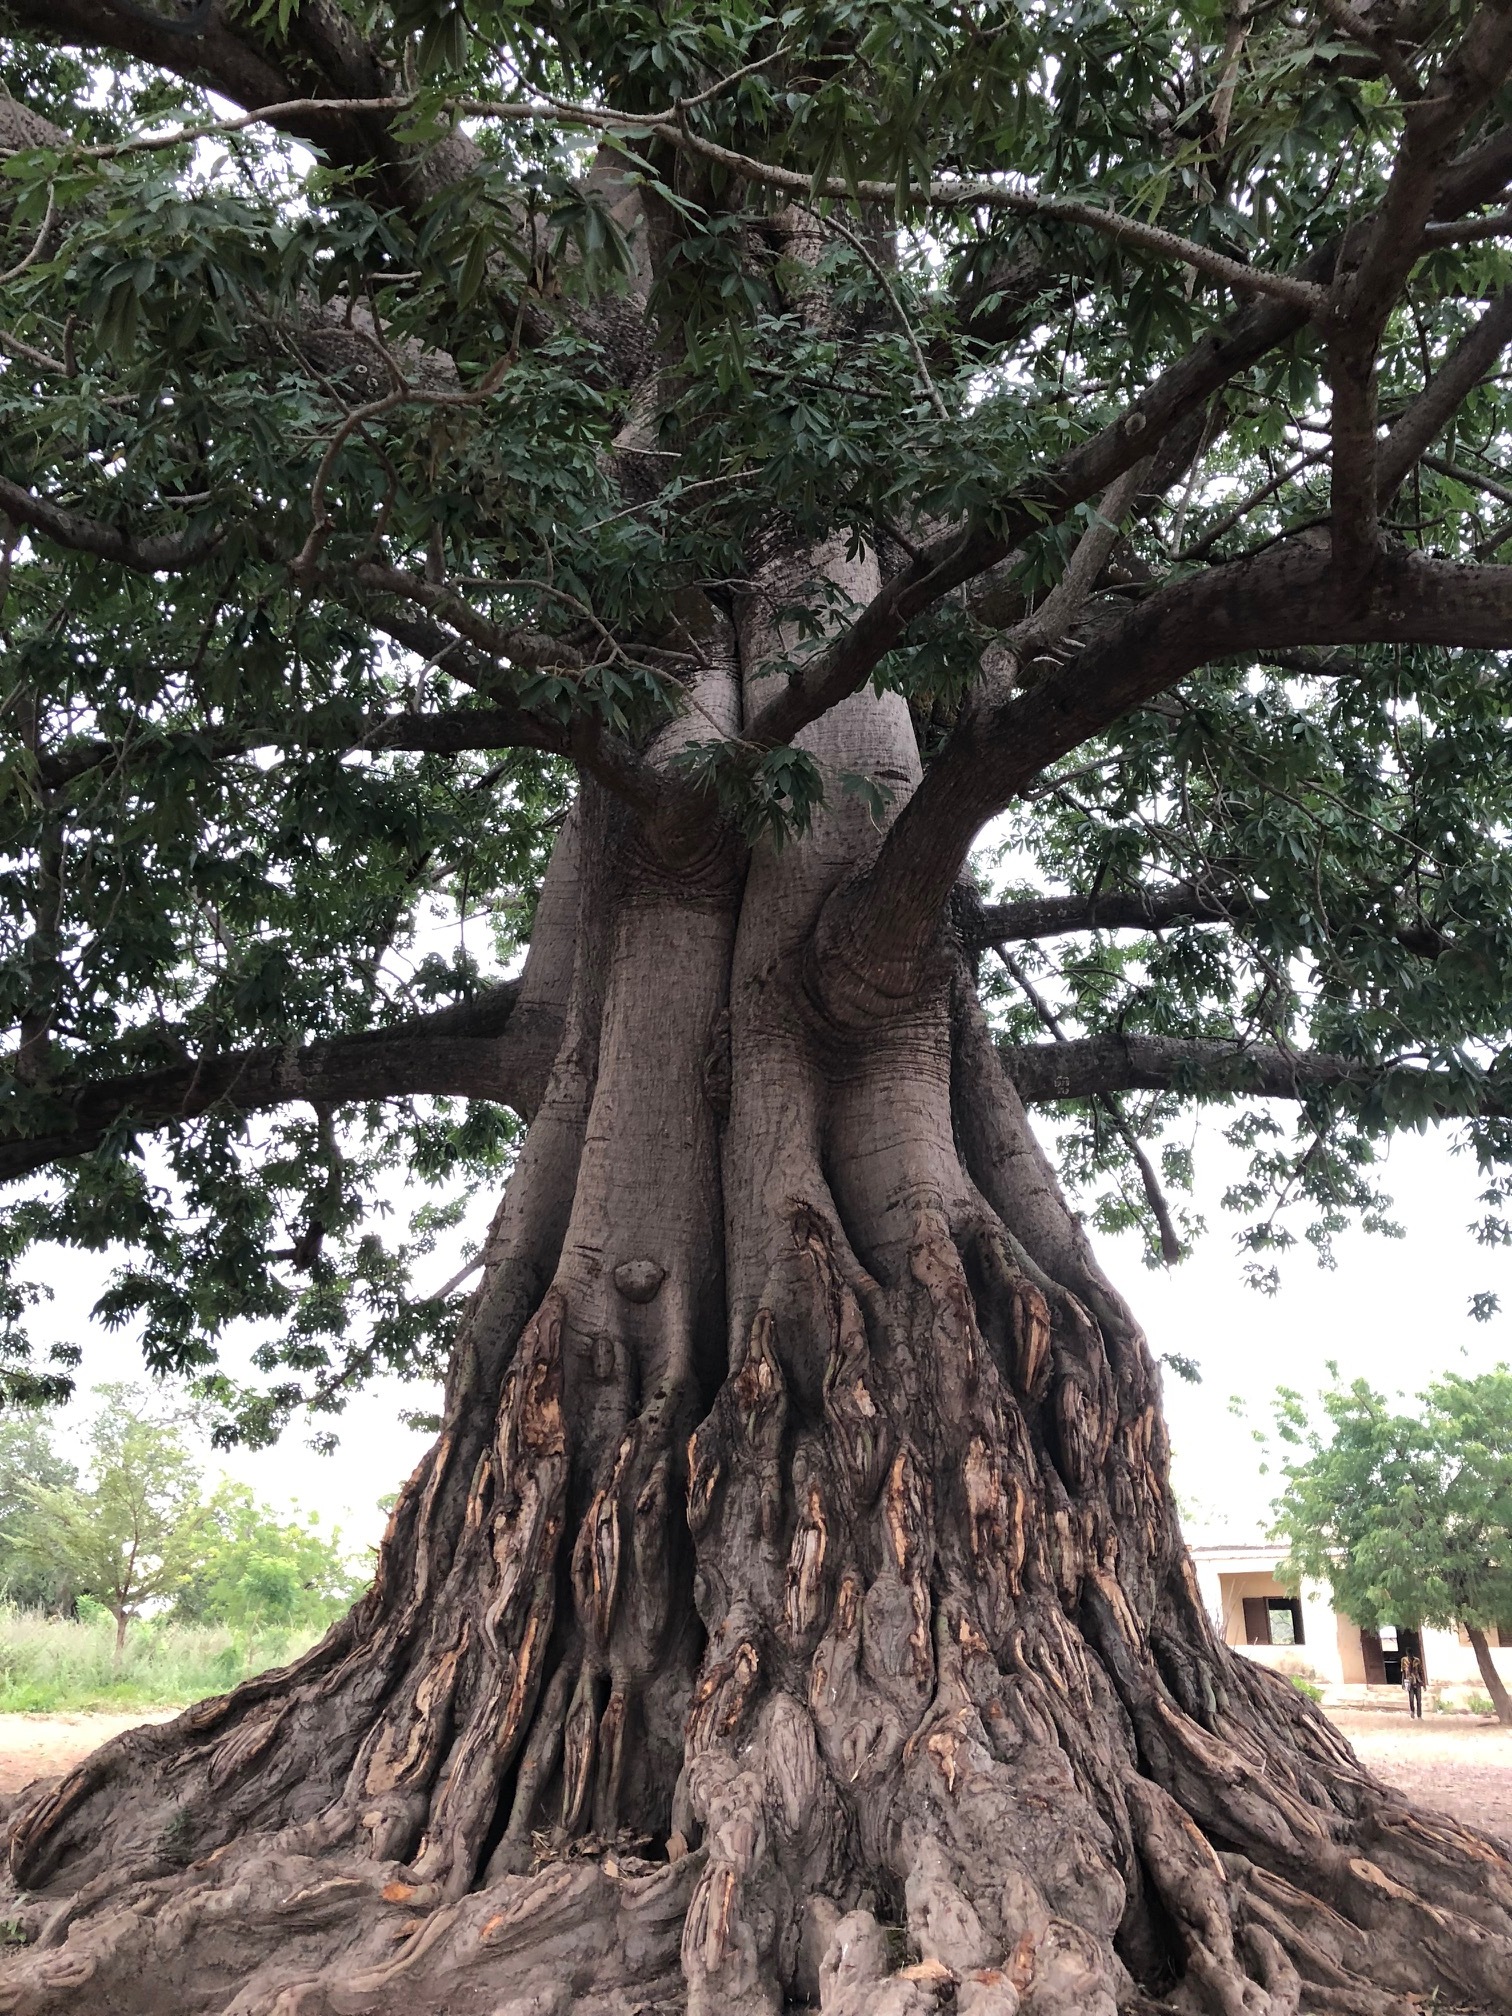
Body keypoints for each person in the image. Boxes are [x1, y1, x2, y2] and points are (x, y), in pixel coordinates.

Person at [1401, 1651, 1424, 1719]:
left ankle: (1419, 1715)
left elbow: (1420, 1671)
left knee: (1419, 1700)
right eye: (1408, 1655)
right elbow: (1403, 1672)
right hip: (1409, 1682)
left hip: (1417, 1682)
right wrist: (1403, 1683)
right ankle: (1412, 1711)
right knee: (1411, 1699)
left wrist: (1423, 1683)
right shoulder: (1404, 1660)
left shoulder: (1417, 1660)